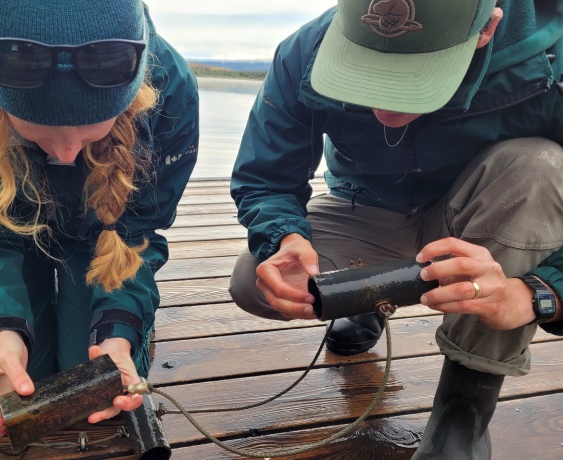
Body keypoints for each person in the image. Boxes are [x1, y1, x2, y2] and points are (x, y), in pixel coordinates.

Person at [229, 0, 563, 458]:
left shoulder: (553, 57)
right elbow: (265, 178)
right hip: (365, 206)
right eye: (364, 70)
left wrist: (539, 292)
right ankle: (366, 297)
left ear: (486, 29)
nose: (381, 106)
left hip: (478, 216)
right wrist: (284, 236)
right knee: (254, 283)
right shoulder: (305, 49)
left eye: (412, 77)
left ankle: (463, 409)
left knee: (539, 166)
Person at [0, 0, 198, 442]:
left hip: (98, 232)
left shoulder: (170, 85)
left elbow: (133, 231)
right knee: (20, 382)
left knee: (95, 379)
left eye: (91, 133)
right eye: (39, 132)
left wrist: (117, 332)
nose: (67, 155)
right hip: (1, 227)